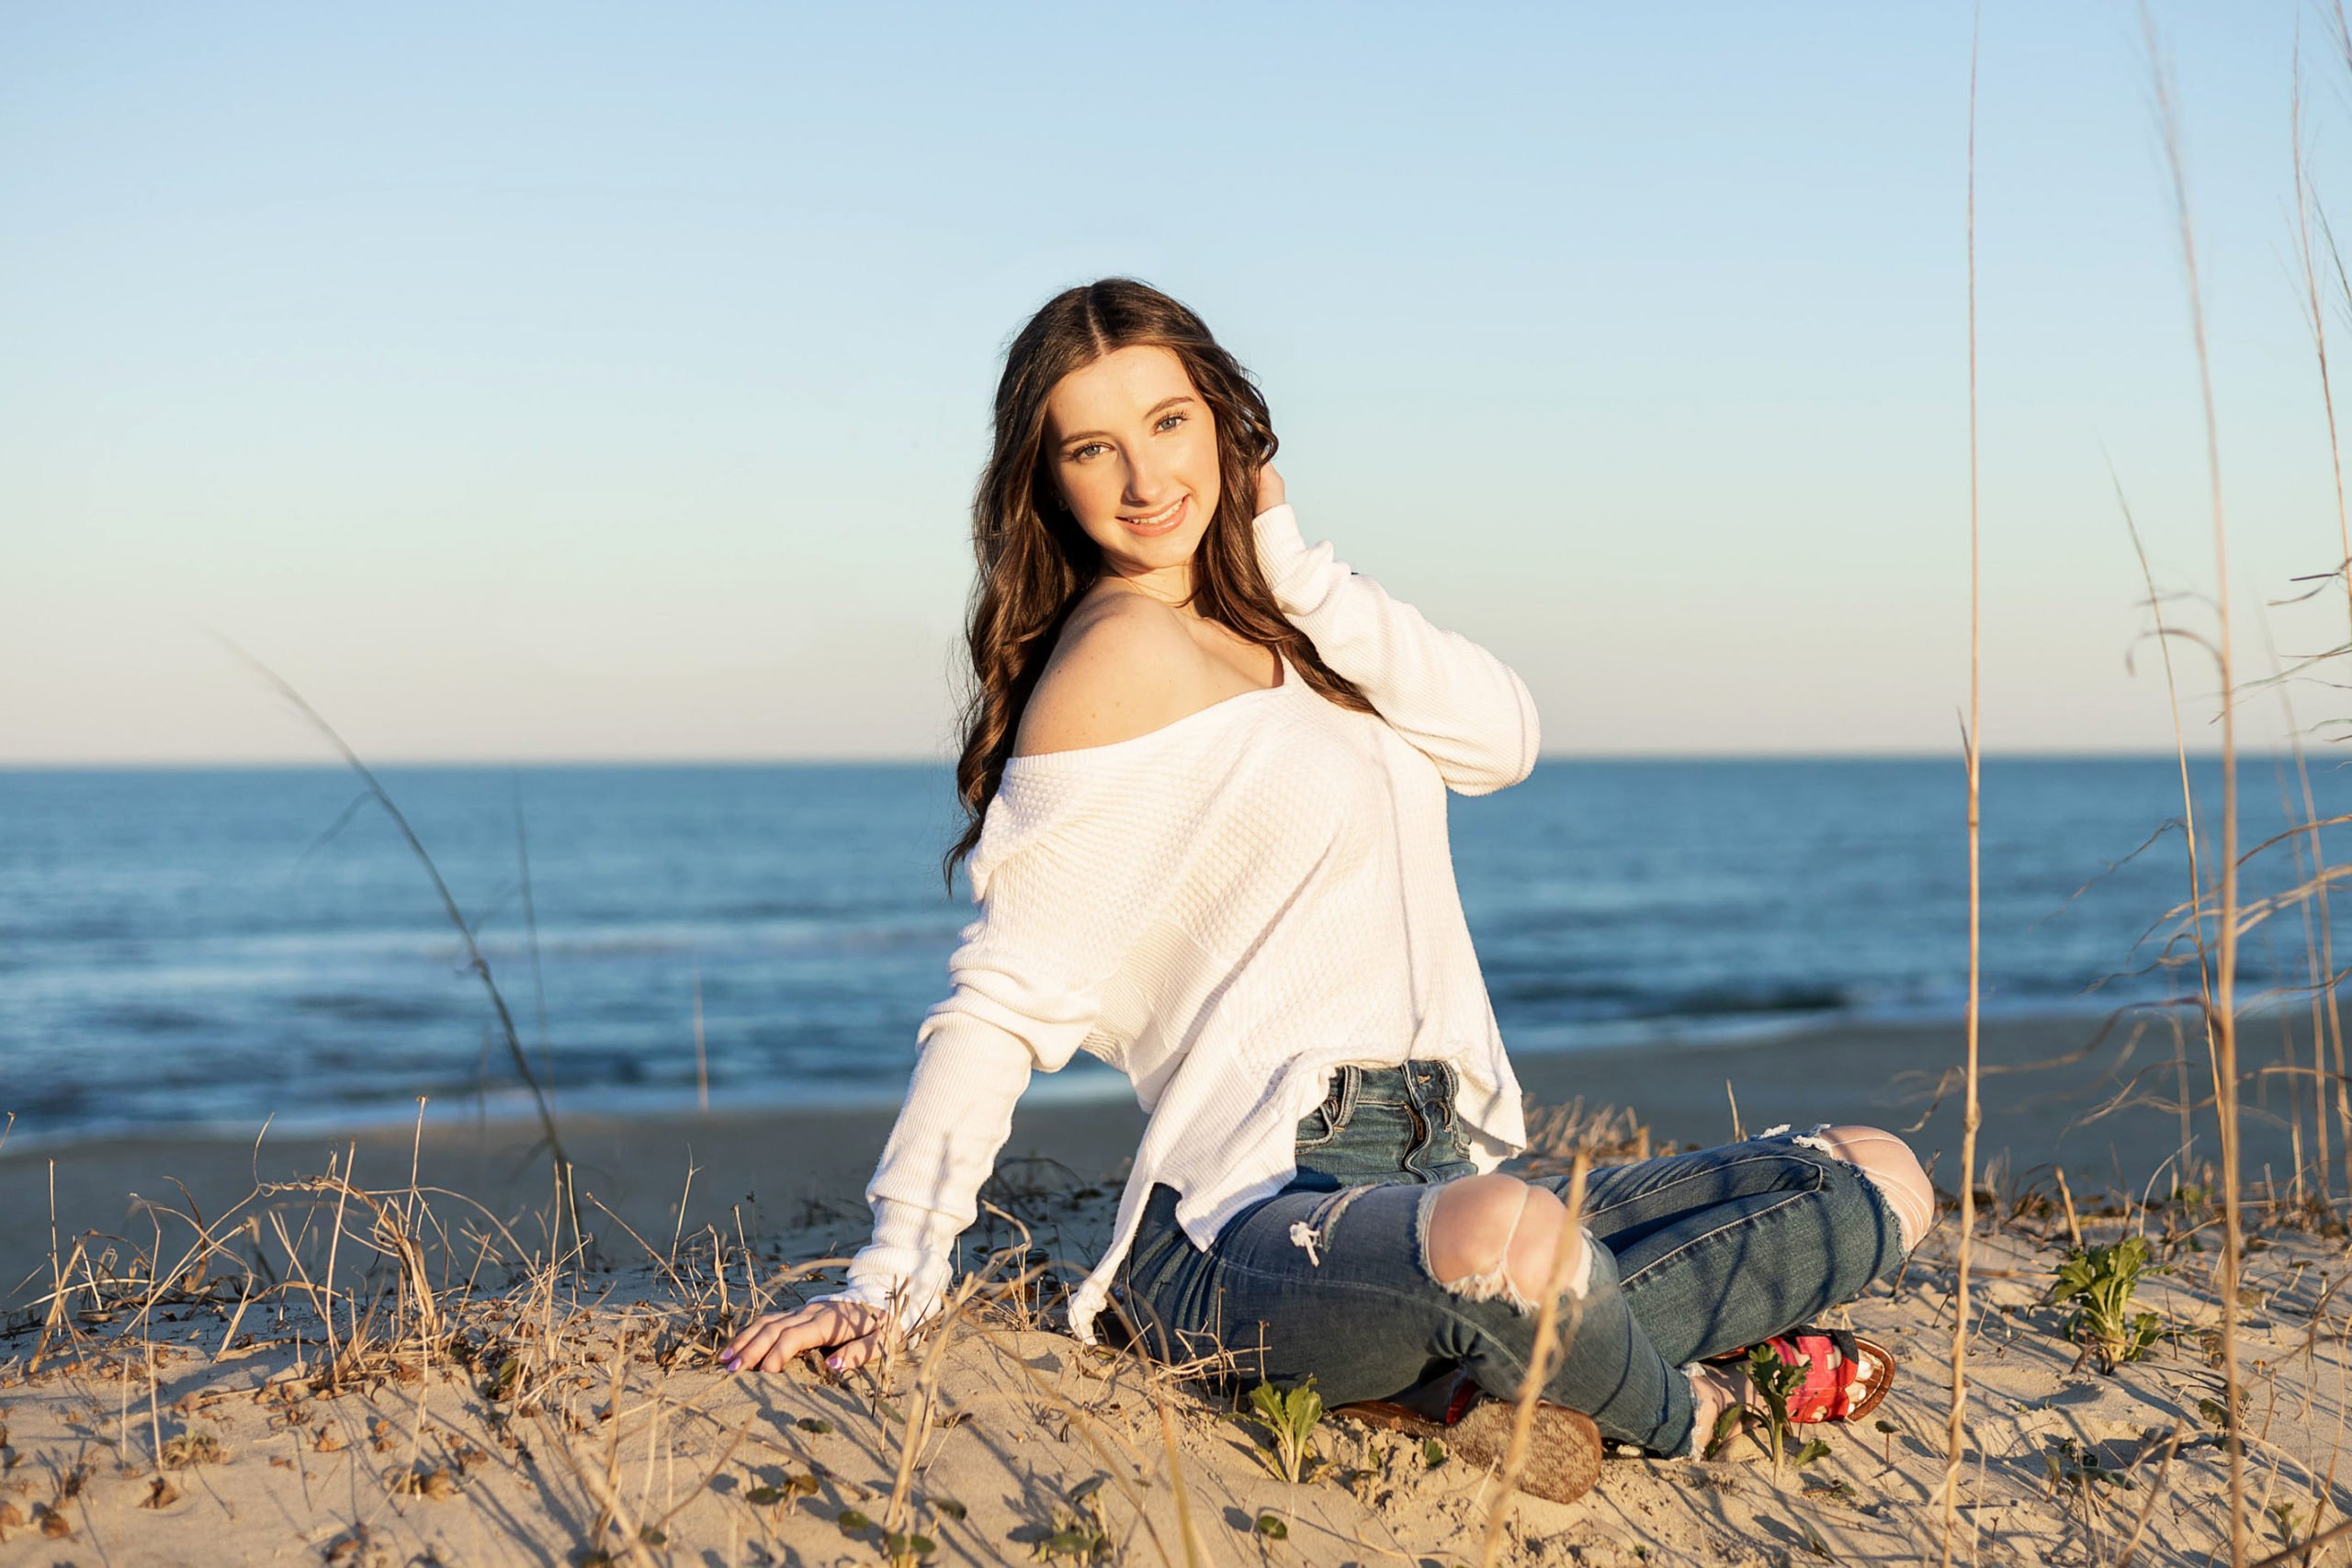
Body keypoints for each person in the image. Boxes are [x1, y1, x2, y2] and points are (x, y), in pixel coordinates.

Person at [720, 278, 1935, 1503]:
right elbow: (1003, 999)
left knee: (1872, 1178)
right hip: (1250, 1219)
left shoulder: (1298, 635)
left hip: (1439, 1165)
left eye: (1171, 423)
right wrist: (889, 1276)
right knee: (1513, 1250)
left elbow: (1499, 741)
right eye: (1095, 448)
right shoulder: (1115, 659)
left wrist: (1292, 566)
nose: (1146, 481)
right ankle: (1701, 1409)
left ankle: (1471, 1382)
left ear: (1225, 422)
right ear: (1050, 480)